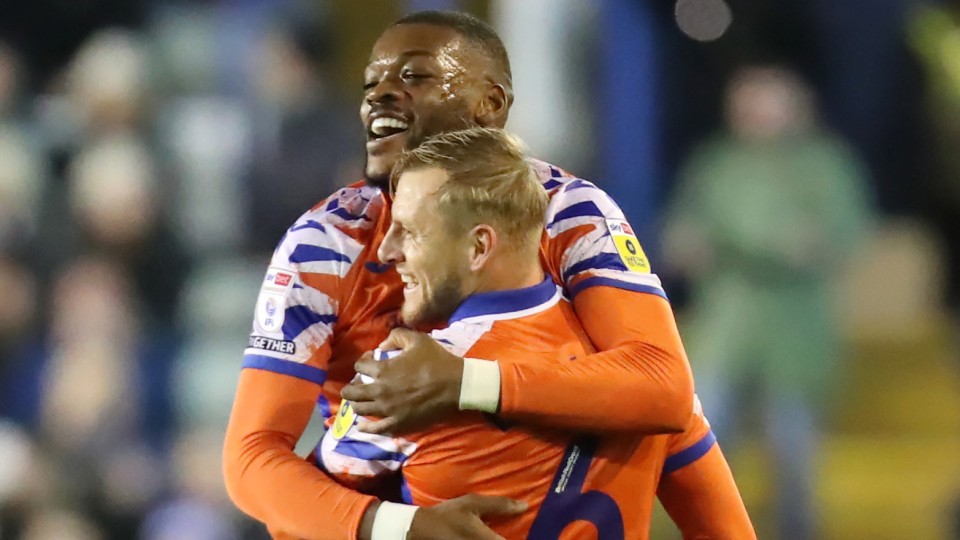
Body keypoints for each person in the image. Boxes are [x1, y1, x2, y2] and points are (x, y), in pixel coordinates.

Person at [224, 11, 700, 539]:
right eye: (371, 83)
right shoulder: (327, 245)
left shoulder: (565, 210)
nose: (379, 96)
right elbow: (252, 458)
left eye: (415, 77)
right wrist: (396, 524)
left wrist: (466, 383)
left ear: (489, 106)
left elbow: (664, 394)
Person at [317, 126, 753, 539]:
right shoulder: (634, 378)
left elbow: (303, 508)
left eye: (408, 232)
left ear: (479, 247)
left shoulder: (403, 381)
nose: (387, 250)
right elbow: (728, 531)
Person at [663, 66, 872, 540]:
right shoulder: (716, 162)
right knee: (700, 448)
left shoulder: (824, 163)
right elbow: (684, 232)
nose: (750, 112)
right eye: (743, 101)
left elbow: (842, 234)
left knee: (792, 454)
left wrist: (755, 242)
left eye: (764, 101)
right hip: (726, 326)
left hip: (793, 332)